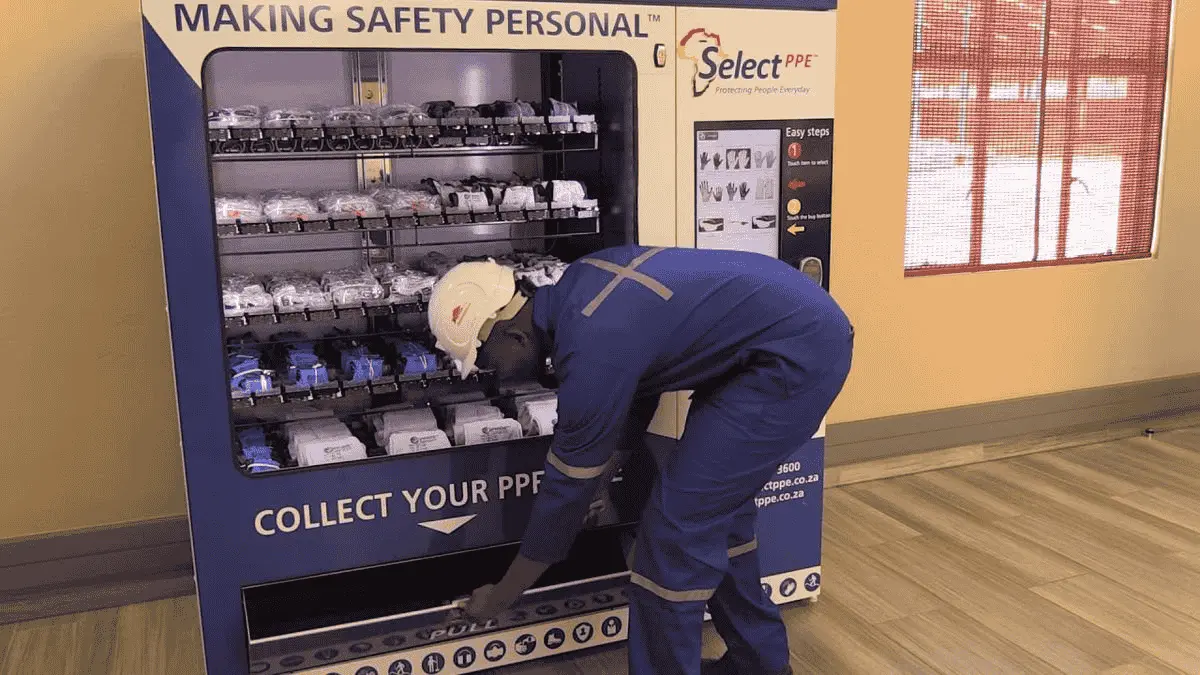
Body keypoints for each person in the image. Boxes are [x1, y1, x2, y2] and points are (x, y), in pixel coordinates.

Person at [428, 245, 854, 675]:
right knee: (716, 518)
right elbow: (641, 388)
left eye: (483, 360)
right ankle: (758, 665)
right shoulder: (581, 287)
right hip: (789, 337)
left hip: (795, 357)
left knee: (674, 532)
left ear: (513, 335)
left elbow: (563, 497)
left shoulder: (591, 348)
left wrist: (504, 595)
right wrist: (604, 473)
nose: (491, 374)